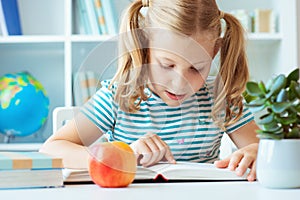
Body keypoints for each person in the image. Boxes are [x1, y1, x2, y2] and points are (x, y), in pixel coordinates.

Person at [40, 0, 259, 181]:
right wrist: (122, 155)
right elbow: (52, 149)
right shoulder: (118, 97)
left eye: (196, 68)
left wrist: (257, 152)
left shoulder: (221, 98)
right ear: (144, 48)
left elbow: (260, 149)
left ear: (214, 53)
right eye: (167, 65)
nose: (179, 83)